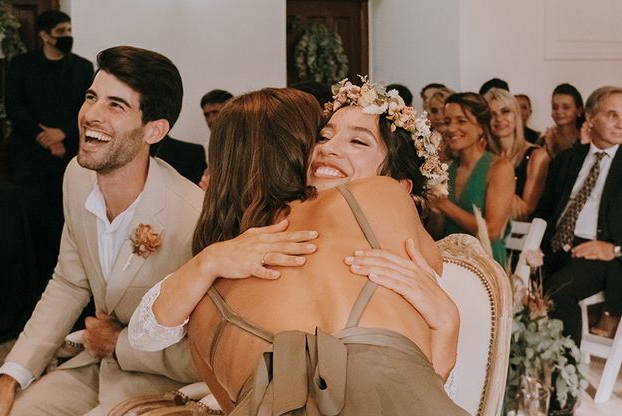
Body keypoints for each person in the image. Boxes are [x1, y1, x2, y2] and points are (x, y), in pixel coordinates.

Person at [130, 81, 465, 415]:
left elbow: (149, 335)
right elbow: (419, 388)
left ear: (401, 184)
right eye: (321, 136)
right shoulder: (252, 248)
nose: (328, 149)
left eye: (358, 141)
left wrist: (447, 320)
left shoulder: (387, 212)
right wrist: (212, 260)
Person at [0, 46, 204, 416]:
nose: (90, 115)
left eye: (116, 105)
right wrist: (9, 377)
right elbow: (69, 283)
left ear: (154, 129)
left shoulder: (194, 216)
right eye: (91, 97)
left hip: (165, 387)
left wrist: (117, 343)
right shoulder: (78, 177)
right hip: (94, 369)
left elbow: (207, 348)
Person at [5, 9, 94, 292]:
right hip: (30, 157)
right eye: (60, 32)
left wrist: (63, 134)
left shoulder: (82, 67)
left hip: (70, 155)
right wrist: (44, 136)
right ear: (44, 35)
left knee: (68, 223)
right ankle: (38, 288)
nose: (67, 36)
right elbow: (14, 108)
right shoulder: (21, 65)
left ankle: (73, 284)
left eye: (69, 30)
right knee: (36, 224)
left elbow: (87, 105)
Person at [538, 86, 622, 345]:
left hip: (600, 255)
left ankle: (564, 379)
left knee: (558, 291)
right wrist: (534, 247)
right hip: (554, 248)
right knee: (506, 287)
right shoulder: (567, 160)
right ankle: (523, 373)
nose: (621, 123)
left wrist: (614, 249)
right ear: (589, 117)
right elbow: (544, 211)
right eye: (612, 115)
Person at [428, 92, 515, 266]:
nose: (451, 128)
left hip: (486, 266)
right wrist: (434, 210)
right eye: (447, 122)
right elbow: (437, 233)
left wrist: (445, 206)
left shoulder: (499, 167)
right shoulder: (447, 168)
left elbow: (492, 231)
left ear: (481, 127)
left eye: (461, 121)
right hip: (450, 262)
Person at [485, 88, 550, 221]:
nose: (499, 119)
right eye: (492, 114)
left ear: (516, 115)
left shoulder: (536, 156)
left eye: (505, 111)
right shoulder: (485, 156)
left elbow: (525, 211)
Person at [539, 83, 585, 159]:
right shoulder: (544, 140)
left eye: (566, 107)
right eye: (555, 107)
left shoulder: (586, 139)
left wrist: (553, 153)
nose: (559, 112)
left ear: (579, 111)